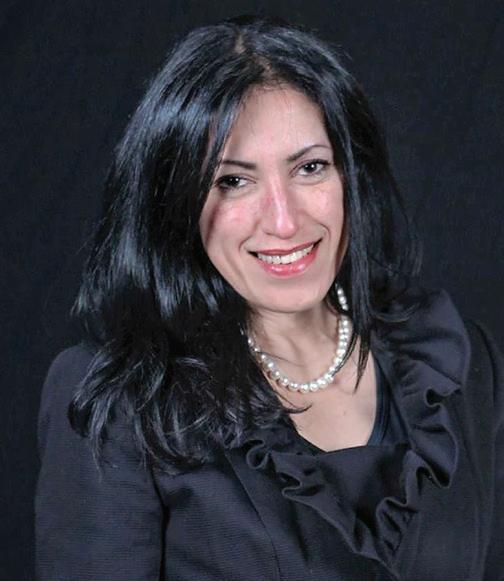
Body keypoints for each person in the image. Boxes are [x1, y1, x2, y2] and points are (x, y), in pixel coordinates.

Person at [35, 15, 504, 581]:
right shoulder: (120, 400)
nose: (284, 221)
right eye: (232, 181)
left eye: (310, 167)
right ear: (176, 200)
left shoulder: (460, 363)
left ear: (351, 175)